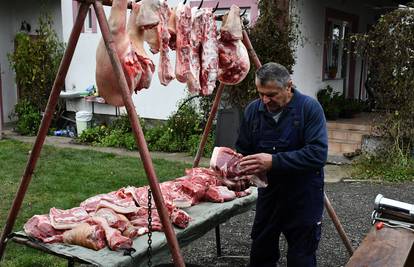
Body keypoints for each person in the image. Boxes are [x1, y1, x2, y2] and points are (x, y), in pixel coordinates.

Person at [236, 62, 328, 267]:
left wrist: (273, 161)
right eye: (260, 93)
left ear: (289, 86)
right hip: (269, 196)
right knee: (261, 255)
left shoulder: (309, 109)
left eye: (271, 94)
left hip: (303, 197)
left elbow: (317, 154)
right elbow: (244, 150)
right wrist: (242, 175)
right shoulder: (253, 111)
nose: (265, 100)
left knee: (301, 258)